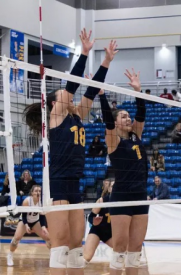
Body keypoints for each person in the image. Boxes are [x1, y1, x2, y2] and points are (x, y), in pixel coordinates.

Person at [23, 30, 117, 274]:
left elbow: (91, 90)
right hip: (58, 183)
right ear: (56, 103)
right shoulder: (56, 116)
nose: (71, 98)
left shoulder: (77, 115)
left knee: (76, 245)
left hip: (74, 184)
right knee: (61, 244)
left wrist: (106, 62)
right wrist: (84, 54)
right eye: (65, 97)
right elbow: (73, 85)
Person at [99, 68, 149, 273]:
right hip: (121, 197)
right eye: (123, 116)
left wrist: (138, 91)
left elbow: (141, 113)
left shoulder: (136, 135)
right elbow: (108, 122)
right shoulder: (113, 141)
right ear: (116, 122)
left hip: (140, 196)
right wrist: (102, 96)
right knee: (120, 249)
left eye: (128, 116)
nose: (128, 119)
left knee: (136, 250)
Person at [7, 185, 50, 266]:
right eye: (36, 191)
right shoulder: (27, 201)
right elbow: (23, 215)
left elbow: (42, 215)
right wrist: (26, 226)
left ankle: (52, 256)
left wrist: (43, 227)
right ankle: (10, 255)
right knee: (17, 238)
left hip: (35, 221)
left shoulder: (42, 202)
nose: (38, 192)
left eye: (39, 191)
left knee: (48, 238)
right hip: (24, 221)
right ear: (32, 192)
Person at [83, 181, 114, 264]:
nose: (114, 188)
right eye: (112, 186)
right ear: (109, 189)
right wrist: (94, 222)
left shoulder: (123, 204)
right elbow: (90, 217)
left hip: (111, 234)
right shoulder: (102, 201)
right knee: (86, 258)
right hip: (98, 230)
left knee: (123, 252)